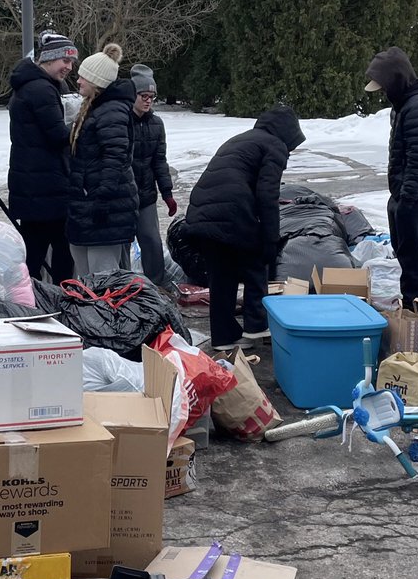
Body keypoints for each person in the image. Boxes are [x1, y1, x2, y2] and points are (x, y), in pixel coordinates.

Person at [184, 105, 305, 351]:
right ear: (287, 133)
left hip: (201, 214)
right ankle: (255, 327)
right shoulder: (275, 145)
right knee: (256, 263)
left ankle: (223, 337)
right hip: (231, 212)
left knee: (221, 277)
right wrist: (270, 239)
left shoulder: (241, 140)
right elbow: (267, 194)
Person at [364, 46, 418, 307]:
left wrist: (407, 197)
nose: (385, 94)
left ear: (397, 80)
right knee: (406, 249)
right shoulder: (405, 105)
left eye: (385, 87)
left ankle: (413, 305)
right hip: (407, 191)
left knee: (411, 253)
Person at [7, 30, 78, 283]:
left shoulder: (29, 85)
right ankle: (58, 299)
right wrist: (82, 125)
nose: (69, 67)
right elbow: (59, 135)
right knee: (60, 251)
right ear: (48, 58)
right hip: (46, 187)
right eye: (65, 61)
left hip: (33, 185)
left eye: (71, 62)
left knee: (33, 252)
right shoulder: (42, 90)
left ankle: (29, 299)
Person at [66, 42, 139, 276]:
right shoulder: (95, 109)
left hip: (105, 208)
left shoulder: (112, 111)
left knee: (102, 277)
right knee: (86, 275)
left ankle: (103, 313)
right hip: (88, 205)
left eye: (83, 77)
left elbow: (114, 156)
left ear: (97, 81)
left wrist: (103, 199)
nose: (78, 81)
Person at [129, 63, 177, 284]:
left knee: (151, 241)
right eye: (143, 95)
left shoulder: (156, 124)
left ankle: (156, 285)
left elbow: (160, 160)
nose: (148, 100)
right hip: (125, 194)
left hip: (146, 194)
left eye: (152, 96)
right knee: (121, 244)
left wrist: (167, 192)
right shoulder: (122, 121)